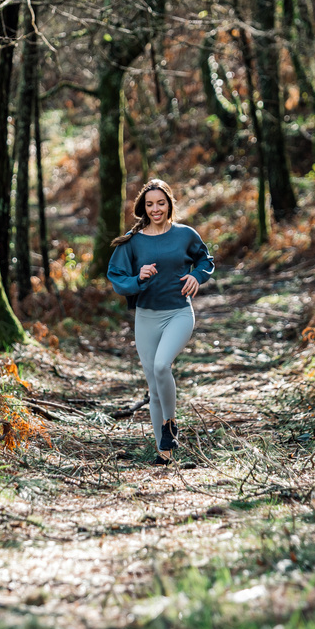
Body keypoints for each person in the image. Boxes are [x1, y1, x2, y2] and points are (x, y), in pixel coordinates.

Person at [107, 178, 215, 464]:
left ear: (169, 205)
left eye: (161, 203)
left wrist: (197, 276)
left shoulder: (185, 235)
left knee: (161, 366)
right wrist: (138, 278)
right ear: (143, 207)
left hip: (179, 312)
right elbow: (117, 277)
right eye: (150, 204)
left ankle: (170, 423)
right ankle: (164, 453)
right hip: (146, 317)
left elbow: (205, 260)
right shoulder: (133, 242)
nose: (156, 209)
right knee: (154, 388)